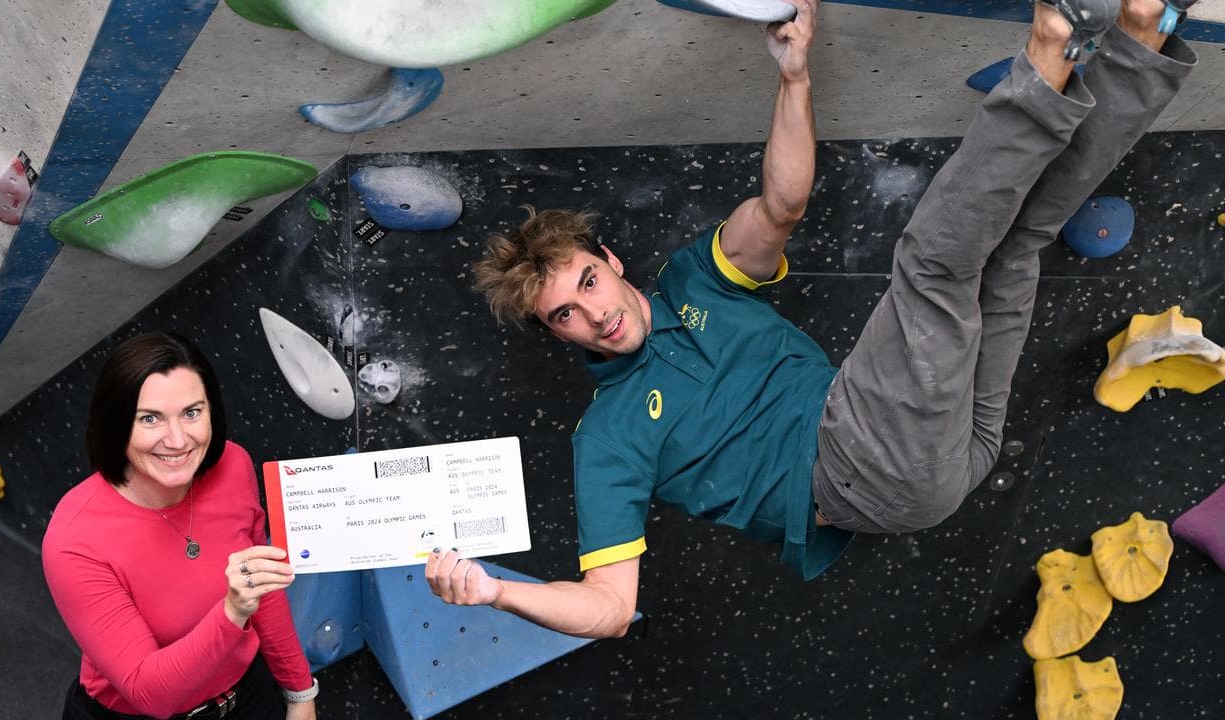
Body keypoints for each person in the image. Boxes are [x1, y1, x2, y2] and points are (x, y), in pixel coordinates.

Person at [426, 0, 1198, 639]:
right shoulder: (608, 436)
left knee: (1015, 241)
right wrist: (497, 592)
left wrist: (794, 76)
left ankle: (1141, 31)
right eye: (565, 313)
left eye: (588, 282)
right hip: (859, 469)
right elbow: (609, 608)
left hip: (950, 447)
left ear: (612, 261)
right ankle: (1054, 35)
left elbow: (782, 204)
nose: (593, 313)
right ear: (555, 334)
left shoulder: (698, 278)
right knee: (933, 261)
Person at [43, 331, 320, 719]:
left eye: (192, 412)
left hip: (246, 695)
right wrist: (231, 611)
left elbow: (263, 586)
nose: (177, 440)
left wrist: (299, 691)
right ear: (115, 423)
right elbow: (151, 694)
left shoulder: (233, 466)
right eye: (150, 419)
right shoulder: (74, 538)